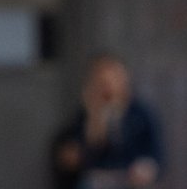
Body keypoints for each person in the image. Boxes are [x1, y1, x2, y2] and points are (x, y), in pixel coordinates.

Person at [50, 56, 161, 189]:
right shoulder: (83, 117)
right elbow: (69, 159)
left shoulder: (141, 115)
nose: (108, 86)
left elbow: (156, 155)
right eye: (101, 81)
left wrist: (146, 168)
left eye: (114, 78)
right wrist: (95, 123)